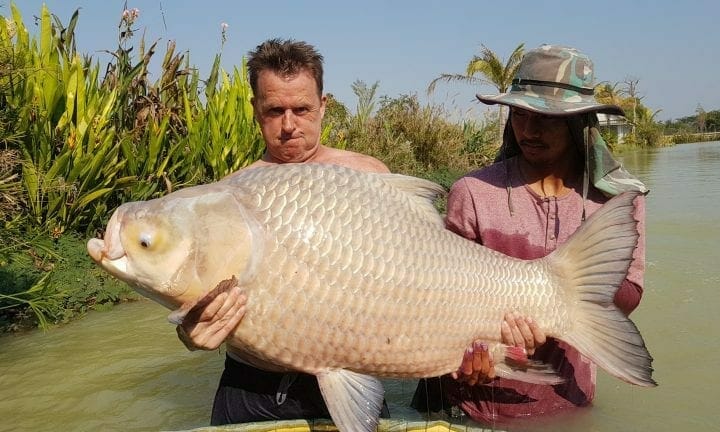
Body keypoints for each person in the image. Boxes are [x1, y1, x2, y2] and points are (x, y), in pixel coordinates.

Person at [410, 44, 649, 425]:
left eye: (547, 118)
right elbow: (440, 300)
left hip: (566, 398)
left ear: (580, 123)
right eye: (520, 114)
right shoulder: (472, 192)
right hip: (473, 403)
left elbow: (629, 295)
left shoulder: (616, 203)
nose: (530, 130)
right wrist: (471, 353)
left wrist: (554, 308)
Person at [175, 38, 389, 426]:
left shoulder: (370, 176)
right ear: (256, 110)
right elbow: (194, 300)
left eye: (302, 109)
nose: (289, 125)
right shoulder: (228, 197)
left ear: (324, 106)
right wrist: (190, 334)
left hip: (351, 378)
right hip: (251, 385)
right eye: (275, 110)